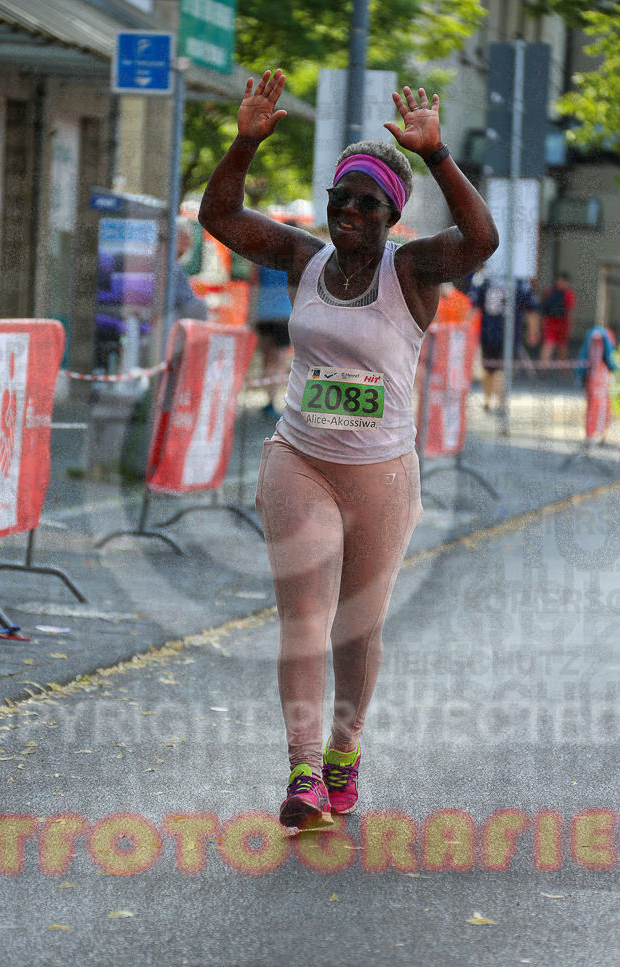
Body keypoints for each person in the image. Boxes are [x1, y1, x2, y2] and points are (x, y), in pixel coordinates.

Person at [198, 69, 498, 829]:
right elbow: (220, 214)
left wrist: (436, 158)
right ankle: (302, 772)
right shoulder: (301, 260)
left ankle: (342, 753)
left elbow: (481, 240)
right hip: (298, 458)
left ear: (391, 214)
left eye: (366, 203)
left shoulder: (412, 271)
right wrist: (244, 141)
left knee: (354, 629)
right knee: (304, 618)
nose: (348, 213)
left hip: (381, 475)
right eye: (340, 200)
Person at [470, 276, 539, 412]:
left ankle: (488, 401)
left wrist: (468, 332)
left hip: (487, 332)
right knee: (502, 370)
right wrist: (533, 331)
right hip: (509, 334)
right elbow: (532, 309)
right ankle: (500, 403)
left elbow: (473, 307)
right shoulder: (519, 281)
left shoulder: (484, 279)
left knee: (489, 369)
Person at [251, 230, 295, 420]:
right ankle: (272, 401)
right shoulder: (296, 259)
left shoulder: (261, 257)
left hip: (263, 314)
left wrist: (249, 316)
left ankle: (268, 400)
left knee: (267, 358)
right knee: (279, 359)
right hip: (285, 315)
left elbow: (253, 285)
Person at [173, 220, 208, 322]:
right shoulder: (171, 268)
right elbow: (189, 304)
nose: (187, 242)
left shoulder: (176, 268)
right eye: (183, 238)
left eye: (188, 239)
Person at [540, 272, 575, 364]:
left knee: (548, 344)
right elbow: (570, 312)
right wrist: (570, 327)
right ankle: (563, 369)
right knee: (562, 345)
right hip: (562, 322)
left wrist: (542, 323)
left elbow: (544, 308)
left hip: (549, 322)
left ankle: (543, 369)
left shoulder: (548, 291)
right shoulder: (569, 293)